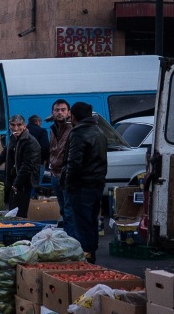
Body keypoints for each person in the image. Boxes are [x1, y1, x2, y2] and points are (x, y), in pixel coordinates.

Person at [62, 102, 108, 264]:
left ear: (73, 116)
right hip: (96, 184)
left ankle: (86, 259)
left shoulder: (78, 133)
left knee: (82, 224)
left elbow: (74, 163)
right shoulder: (99, 131)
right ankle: (91, 255)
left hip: (81, 187)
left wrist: (68, 186)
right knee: (91, 222)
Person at [0, 115, 41, 218]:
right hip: (13, 180)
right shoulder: (13, 138)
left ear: (24, 126)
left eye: (19, 125)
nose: (16, 128)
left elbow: (27, 167)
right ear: (9, 126)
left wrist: (16, 184)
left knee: (20, 213)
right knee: (12, 211)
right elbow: (5, 153)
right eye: (13, 125)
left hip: (24, 183)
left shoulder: (30, 142)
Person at [48, 99, 74, 235]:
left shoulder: (72, 129)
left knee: (69, 210)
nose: (60, 113)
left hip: (67, 175)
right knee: (63, 208)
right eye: (57, 110)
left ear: (69, 113)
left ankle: (70, 239)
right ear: (52, 113)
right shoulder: (53, 129)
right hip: (54, 174)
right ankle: (66, 235)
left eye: (63, 110)